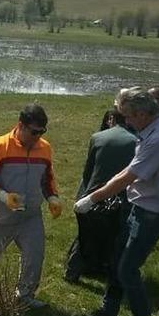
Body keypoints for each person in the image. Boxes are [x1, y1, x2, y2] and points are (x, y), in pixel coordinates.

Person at [75, 89, 159, 316]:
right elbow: (129, 170)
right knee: (117, 258)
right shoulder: (152, 130)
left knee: (127, 268)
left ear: (143, 113)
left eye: (129, 116)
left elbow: (129, 176)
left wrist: (92, 199)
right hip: (140, 206)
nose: (126, 121)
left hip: (153, 213)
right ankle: (108, 309)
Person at [0, 104, 63, 309]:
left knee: (34, 256)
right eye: (34, 131)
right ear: (21, 125)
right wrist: (2, 195)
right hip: (0, 215)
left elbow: (47, 178)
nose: (38, 136)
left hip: (30, 215)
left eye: (42, 132)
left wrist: (53, 197)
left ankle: (24, 294)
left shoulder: (44, 148)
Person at [64, 93, 138, 283]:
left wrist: (87, 191)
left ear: (113, 119)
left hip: (94, 193)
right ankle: (108, 270)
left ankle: (72, 272)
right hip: (120, 196)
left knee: (85, 236)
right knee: (115, 236)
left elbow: (88, 171)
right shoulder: (136, 142)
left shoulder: (98, 137)